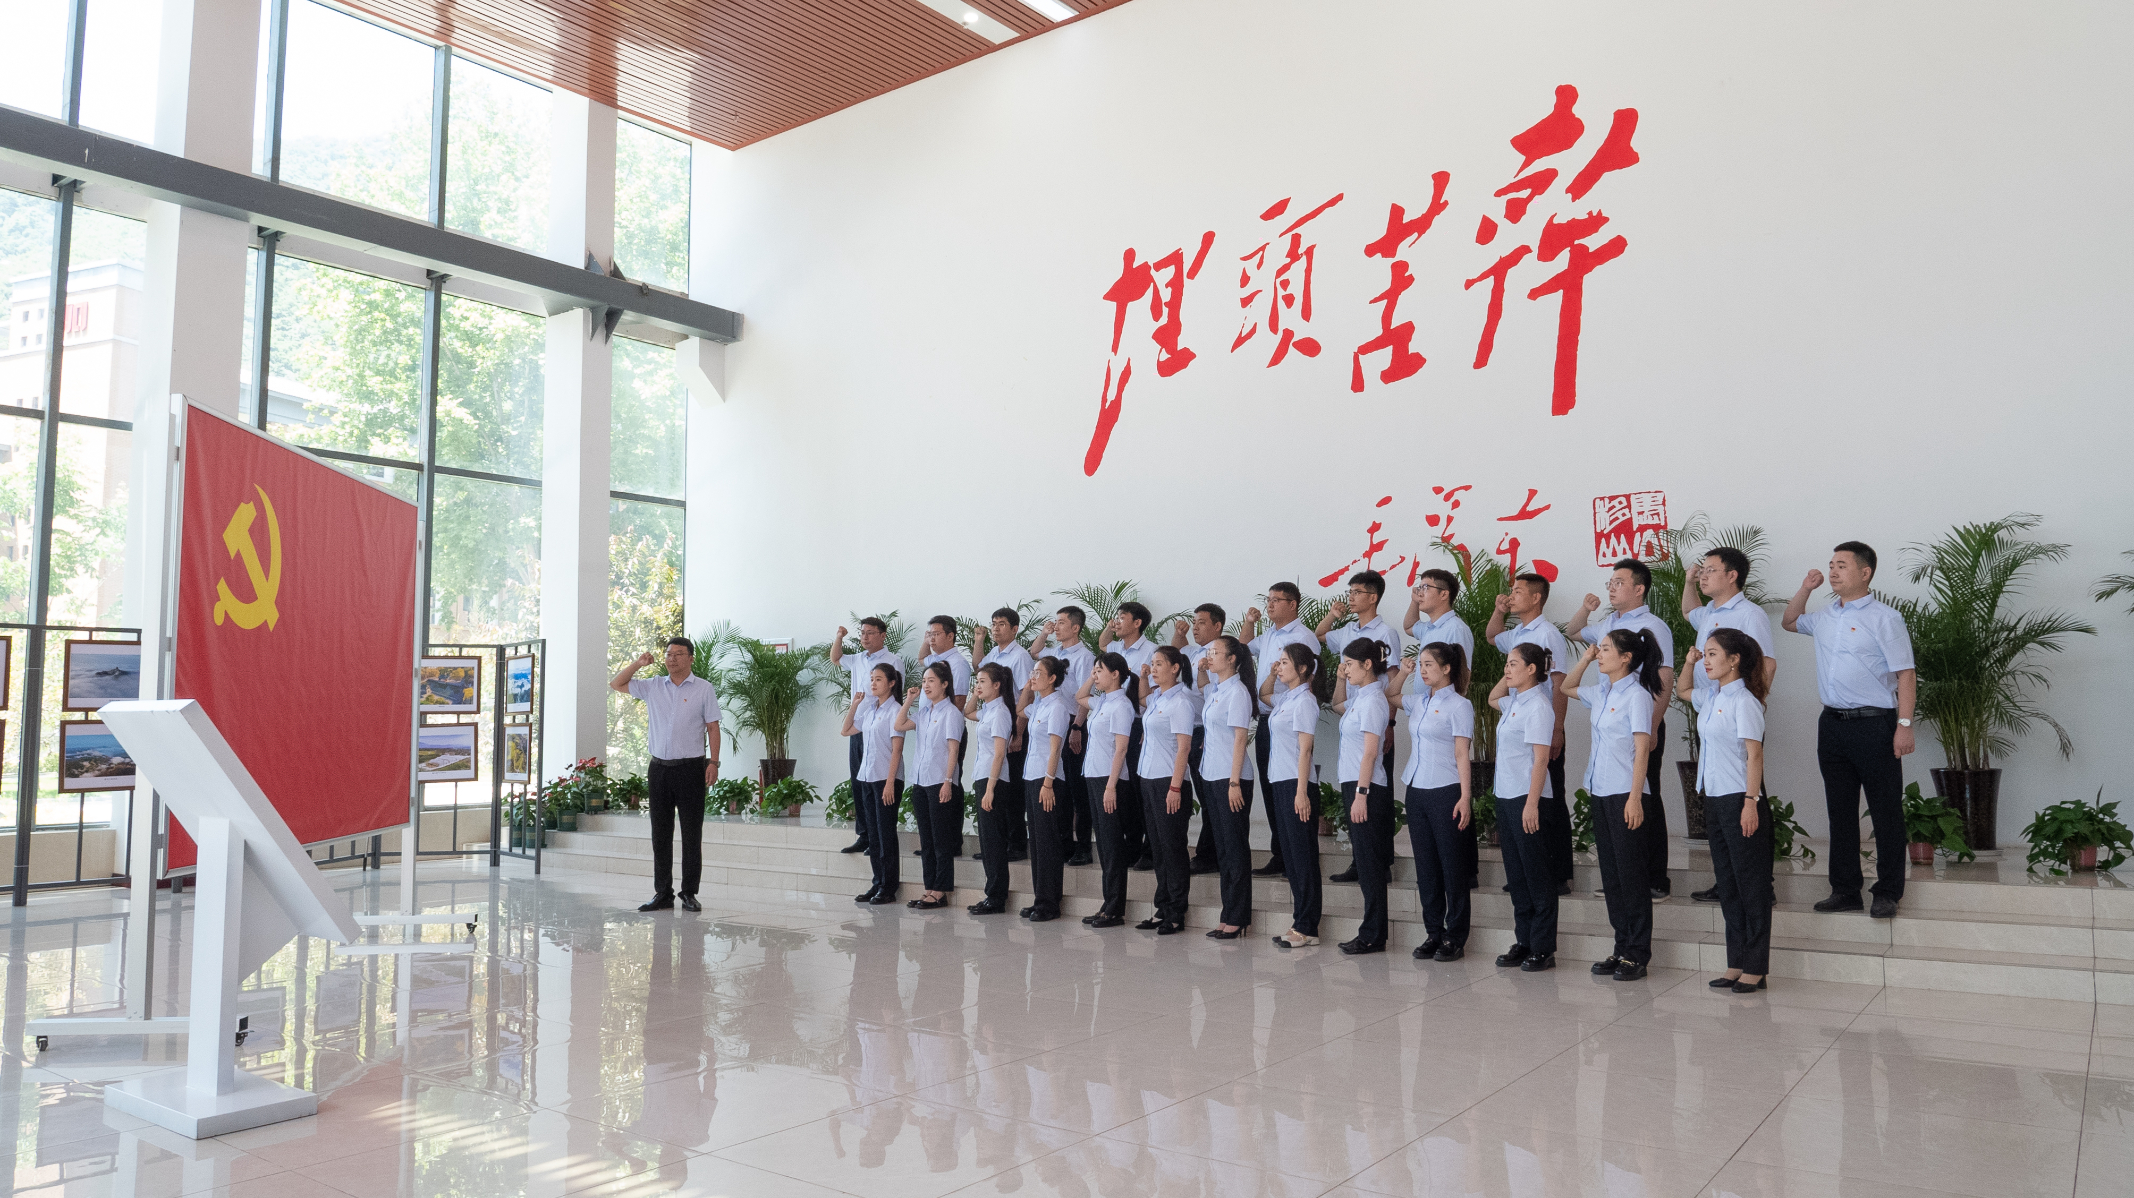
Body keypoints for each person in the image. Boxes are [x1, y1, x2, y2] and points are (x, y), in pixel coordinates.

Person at [1783, 541, 1917, 919]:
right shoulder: (1825, 616)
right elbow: (1790, 621)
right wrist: (1806, 588)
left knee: (1885, 810)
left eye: (1841, 565)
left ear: (1865, 572)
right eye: (1831, 565)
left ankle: (1887, 891)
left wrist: (1904, 726)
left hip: (1875, 724)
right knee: (1839, 811)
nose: (1833, 571)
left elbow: (1906, 675)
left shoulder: (1885, 618)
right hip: (1832, 725)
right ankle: (1845, 890)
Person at [1565, 559, 1677, 899]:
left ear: (1639, 589)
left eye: (1619, 582)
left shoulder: (1654, 626)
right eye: (1610, 583)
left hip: (1640, 720)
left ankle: (1654, 878)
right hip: (1609, 721)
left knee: (1645, 797)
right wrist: (1586, 609)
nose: (1611, 588)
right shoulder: (1607, 624)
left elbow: (1664, 677)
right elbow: (1573, 631)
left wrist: (1652, 724)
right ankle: (1622, 878)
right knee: (1614, 805)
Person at [1561, 629, 1664, 981]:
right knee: (1612, 875)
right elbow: (1566, 687)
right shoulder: (1602, 691)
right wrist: (1585, 659)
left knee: (1631, 875)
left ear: (1626, 658)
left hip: (1626, 793)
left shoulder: (1637, 696)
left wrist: (1635, 798)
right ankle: (1621, 948)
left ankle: (1638, 953)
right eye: (1599, 649)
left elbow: (1642, 749)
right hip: (1600, 791)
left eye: (1605, 649)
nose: (1599, 653)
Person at [1682, 547, 1778, 903]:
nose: (1703, 575)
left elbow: (1767, 662)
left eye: (1710, 570)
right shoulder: (1708, 612)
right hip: (1712, 709)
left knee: (1749, 796)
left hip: (1736, 711)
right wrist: (1688, 581)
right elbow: (1688, 611)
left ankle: (1761, 884)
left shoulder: (1749, 614)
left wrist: (1751, 701)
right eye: (1702, 570)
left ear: (1732, 575)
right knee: (1721, 807)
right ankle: (1727, 881)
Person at [1680, 628, 1772, 991]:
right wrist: (1689, 663)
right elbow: (1683, 690)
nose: (1706, 660)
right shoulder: (1712, 697)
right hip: (1715, 799)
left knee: (1751, 885)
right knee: (1728, 884)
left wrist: (1751, 802)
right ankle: (1736, 962)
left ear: (1734, 660)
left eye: (1713, 654)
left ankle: (1756, 967)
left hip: (1740, 798)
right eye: (1705, 653)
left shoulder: (1744, 701)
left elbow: (1755, 754)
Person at [609, 638, 721, 913]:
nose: (672, 659)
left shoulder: (704, 689)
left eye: (679, 654)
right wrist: (638, 663)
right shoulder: (653, 685)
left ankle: (689, 893)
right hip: (659, 769)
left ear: (691, 658)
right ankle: (663, 893)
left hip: (691, 769)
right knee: (660, 833)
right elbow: (616, 683)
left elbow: (713, 727)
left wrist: (713, 763)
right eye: (669, 654)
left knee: (691, 833)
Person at [1485, 573, 1574, 894]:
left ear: (1536, 598)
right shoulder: (1518, 633)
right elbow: (1492, 637)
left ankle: (1558, 874)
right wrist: (1499, 610)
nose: (1512, 595)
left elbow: (1559, 682)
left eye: (1518, 591)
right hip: (1519, 719)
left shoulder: (1548, 633)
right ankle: (1526, 874)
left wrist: (1558, 728)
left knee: (1550, 800)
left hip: (1543, 724)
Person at [1386, 642, 1475, 960]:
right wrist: (1403, 673)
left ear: (1446, 668)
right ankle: (1433, 933)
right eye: (1420, 664)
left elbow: (1462, 753)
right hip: (1417, 788)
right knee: (1426, 867)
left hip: (1446, 789)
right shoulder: (1419, 701)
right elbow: (1390, 695)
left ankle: (1455, 936)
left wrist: (1465, 797)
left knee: (1452, 867)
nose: (1422, 670)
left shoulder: (1460, 705)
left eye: (1428, 665)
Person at [1320, 570, 1402, 884]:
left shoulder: (1386, 633)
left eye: (1357, 592)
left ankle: (1381, 861)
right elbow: (1319, 636)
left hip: (1376, 718)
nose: (1351, 597)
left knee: (1376, 792)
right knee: (1354, 794)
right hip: (1353, 715)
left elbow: (1392, 679)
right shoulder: (1347, 630)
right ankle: (1361, 861)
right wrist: (1333, 615)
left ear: (1373, 597)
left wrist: (1390, 723)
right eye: (1350, 591)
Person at [1403, 567, 1479, 891]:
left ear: (1444, 594)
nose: (1421, 592)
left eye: (1426, 587)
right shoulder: (1430, 626)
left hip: (1444, 712)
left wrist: (1449, 704)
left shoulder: (1456, 628)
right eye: (1419, 587)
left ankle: (1467, 872)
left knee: (1452, 846)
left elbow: (1464, 671)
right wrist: (1414, 599)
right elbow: (1408, 625)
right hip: (1426, 707)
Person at [1241, 584, 1321, 879]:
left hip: (1290, 719)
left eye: (1277, 600)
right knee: (1271, 786)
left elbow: (1310, 676)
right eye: (1268, 600)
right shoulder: (1269, 635)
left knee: (1292, 788)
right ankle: (1281, 853)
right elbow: (1244, 648)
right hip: (1269, 716)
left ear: (1293, 604)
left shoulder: (1303, 636)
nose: (1270, 605)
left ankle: (1296, 857)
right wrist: (1250, 623)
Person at [1489, 642, 1559, 971]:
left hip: (1528, 798)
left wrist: (1532, 804)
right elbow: (1493, 697)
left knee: (1536, 874)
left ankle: (1543, 947)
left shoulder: (1539, 707)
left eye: (1513, 664)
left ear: (1532, 669)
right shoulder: (1514, 702)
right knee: (1517, 876)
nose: (1507, 669)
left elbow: (1541, 759)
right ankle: (1524, 940)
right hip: (1506, 796)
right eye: (1506, 663)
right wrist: (1508, 675)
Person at [1331, 639, 1395, 955]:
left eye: (1350, 665)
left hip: (1366, 788)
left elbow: (1371, 752)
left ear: (1368, 664)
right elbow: (1336, 704)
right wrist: (1341, 679)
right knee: (1366, 863)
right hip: (1355, 785)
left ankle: (1373, 935)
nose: (1346, 669)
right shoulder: (1360, 698)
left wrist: (1361, 794)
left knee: (1370, 865)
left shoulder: (1373, 702)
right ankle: (1371, 932)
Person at [1199, 635, 1259, 939]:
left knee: (1235, 848)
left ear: (1232, 659)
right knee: (1222, 849)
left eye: (1215, 652)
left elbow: (1239, 739)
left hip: (1231, 777)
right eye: (1209, 652)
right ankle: (1227, 914)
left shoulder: (1238, 692)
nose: (1209, 656)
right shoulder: (1216, 689)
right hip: (1212, 774)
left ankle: (1238, 917)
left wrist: (1234, 782)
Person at [1264, 644, 1323, 948]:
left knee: (1303, 856)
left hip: (1297, 784)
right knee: (1291, 856)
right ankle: (1299, 920)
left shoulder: (1305, 701)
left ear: (1302, 668)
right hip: (1280, 781)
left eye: (1285, 662)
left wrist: (1301, 792)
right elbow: (1263, 694)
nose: (1279, 666)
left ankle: (1308, 926)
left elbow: (1306, 749)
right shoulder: (1286, 698)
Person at [1136, 647, 1198, 934]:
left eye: (1159, 663)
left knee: (1173, 847)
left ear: (1175, 668)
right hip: (1149, 778)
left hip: (1169, 781)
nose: (1153, 668)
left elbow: (1184, 748)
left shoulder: (1181, 702)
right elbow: (1142, 700)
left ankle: (1176, 911)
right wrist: (1143, 679)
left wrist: (1175, 786)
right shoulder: (1157, 698)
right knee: (1158, 847)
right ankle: (1162, 907)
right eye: (1152, 663)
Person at [830, 618, 903, 856]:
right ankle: (865, 835)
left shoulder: (893, 661)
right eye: (862, 633)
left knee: (879, 784)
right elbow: (835, 658)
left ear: (883, 635)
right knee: (860, 782)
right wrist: (839, 637)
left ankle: (880, 838)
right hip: (859, 726)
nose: (865, 637)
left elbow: (898, 694)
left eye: (870, 633)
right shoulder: (858, 659)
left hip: (881, 727)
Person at [894, 661, 964, 909]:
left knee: (941, 839)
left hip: (940, 782)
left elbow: (953, 750)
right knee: (927, 840)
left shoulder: (951, 713)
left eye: (931, 681)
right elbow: (899, 725)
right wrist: (909, 700)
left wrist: (948, 782)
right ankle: (928, 888)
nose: (926, 685)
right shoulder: (924, 712)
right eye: (924, 681)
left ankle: (940, 891)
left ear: (945, 684)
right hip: (921, 782)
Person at [1078, 652, 1139, 929]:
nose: (1095, 675)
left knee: (1113, 845)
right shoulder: (1102, 702)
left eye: (1100, 670)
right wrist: (1091, 676)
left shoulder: (1122, 705)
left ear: (1116, 674)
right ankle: (1107, 903)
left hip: (1109, 779)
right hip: (1094, 775)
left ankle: (1115, 908)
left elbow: (1121, 748)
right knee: (1103, 843)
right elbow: (1079, 697)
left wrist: (1111, 786)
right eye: (1094, 670)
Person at [1030, 608, 1095, 865]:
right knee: (1060, 788)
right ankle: (1064, 843)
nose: (1056, 627)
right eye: (1055, 622)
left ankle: (1083, 847)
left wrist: (1077, 727)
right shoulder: (1054, 653)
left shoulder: (1084, 656)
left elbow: (1085, 695)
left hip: (1072, 722)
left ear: (1076, 628)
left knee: (1077, 788)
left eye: (1061, 623)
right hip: (1049, 722)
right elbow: (1034, 651)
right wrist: (1044, 633)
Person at [970, 607, 1036, 862]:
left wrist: (1018, 734)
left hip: (1011, 727)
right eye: (994, 624)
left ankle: (1016, 844)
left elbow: (1026, 696)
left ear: (1015, 629)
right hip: (996, 726)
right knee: (999, 789)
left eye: (1001, 624)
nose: (996, 629)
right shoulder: (994, 654)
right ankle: (996, 844)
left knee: (1012, 789)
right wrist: (979, 640)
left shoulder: (1020, 656)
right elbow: (978, 666)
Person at [1098, 601, 1159, 869]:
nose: (1117, 621)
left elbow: (1155, 694)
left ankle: (1149, 850)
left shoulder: (1151, 651)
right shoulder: (1114, 649)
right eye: (1117, 617)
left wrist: (1147, 728)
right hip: (1112, 725)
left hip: (1136, 724)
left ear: (1137, 623)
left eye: (1123, 617)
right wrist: (1109, 627)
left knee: (1138, 787)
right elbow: (1102, 644)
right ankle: (1131, 846)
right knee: (1123, 790)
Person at [840, 662, 906, 906]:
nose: (873, 684)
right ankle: (877, 882)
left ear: (891, 683)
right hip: (867, 777)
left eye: (878, 679)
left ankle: (889, 887)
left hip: (886, 779)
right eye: (871, 679)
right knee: (874, 835)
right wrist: (855, 704)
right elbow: (846, 730)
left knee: (885, 833)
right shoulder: (870, 710)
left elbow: (897, 750)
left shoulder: (895, 710)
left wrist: (890, 783)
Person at [915, 615, 973, 860]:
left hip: (948, 729)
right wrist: (926, 639)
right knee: (930, 789)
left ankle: (951, 842)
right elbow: (921, 658)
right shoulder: (934, 660)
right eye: (929, 634)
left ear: (951, 636)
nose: (931, 638)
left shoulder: (957, 663)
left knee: (950, 784)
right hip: (930, 727)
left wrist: (947, 727)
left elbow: (958, 701)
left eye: (936, 634)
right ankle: (934, 841)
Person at [1172, 603, 1224, 875]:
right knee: (1202, 795)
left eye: (1201, 623)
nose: (1195, 627)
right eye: (1194, 622)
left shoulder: (1220, 654)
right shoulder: (1192, 652)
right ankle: (1209, 852)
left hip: (1206, 730)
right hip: (1188, 730)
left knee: (1209, 795)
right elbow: (1173, 658)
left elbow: (1216, 695)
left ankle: (1209, 854)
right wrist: (1179, 634)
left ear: (1217, 626)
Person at [1021, 656, 1073, 922]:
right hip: (1032, 776)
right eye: (1032, 671)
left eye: (1038, 673)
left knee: (1047, 842)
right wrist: (1028, 687)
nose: (1033, 676)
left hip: (1047, 779)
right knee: (1036, 842)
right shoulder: (1039, 705)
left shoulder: (1058, 707)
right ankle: (1039, 898)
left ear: (1052, 678)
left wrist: (1048, 782)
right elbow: (1020, 709)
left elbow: (1055, 748)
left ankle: (1050, 903)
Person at [963, 663, 1018, 915]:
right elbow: (967, 711)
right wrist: (976, 693)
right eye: (977, 681)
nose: (978, 685)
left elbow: (999, 754)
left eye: (983, 681)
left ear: (997, 685)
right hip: (983, 776)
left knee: (994, 841)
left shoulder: (1001, 713)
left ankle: (997, 897)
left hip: (992, 780)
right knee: (987, 840)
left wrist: (990, 789)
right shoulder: (988, 710)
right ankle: (991, 894)